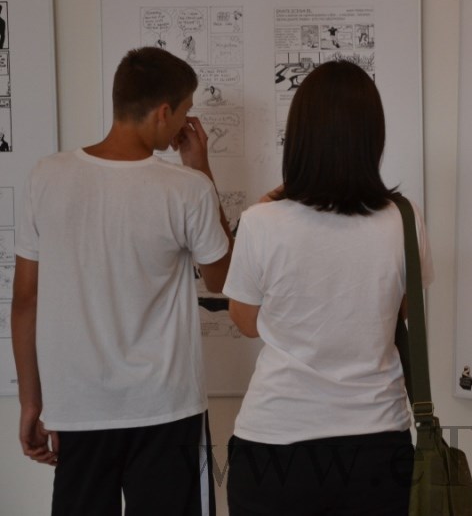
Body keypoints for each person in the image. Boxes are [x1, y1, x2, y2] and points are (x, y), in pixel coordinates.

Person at [11, 46, 232, 515]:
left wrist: (32, 402)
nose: (185, 124)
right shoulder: (187, 189)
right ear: (164, 112)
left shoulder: (46, 177)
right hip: (167, 409)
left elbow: (26, 300)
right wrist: (200, 168)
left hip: (78, 408)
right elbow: (222, 277)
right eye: (185, 112)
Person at [223, 60, 433, 515]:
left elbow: (247, 322)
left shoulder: (262, 222)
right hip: (378, 439)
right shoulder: (404, 218)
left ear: (300, 137)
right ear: (371, 137)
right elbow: (401, 312)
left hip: (275, 441)